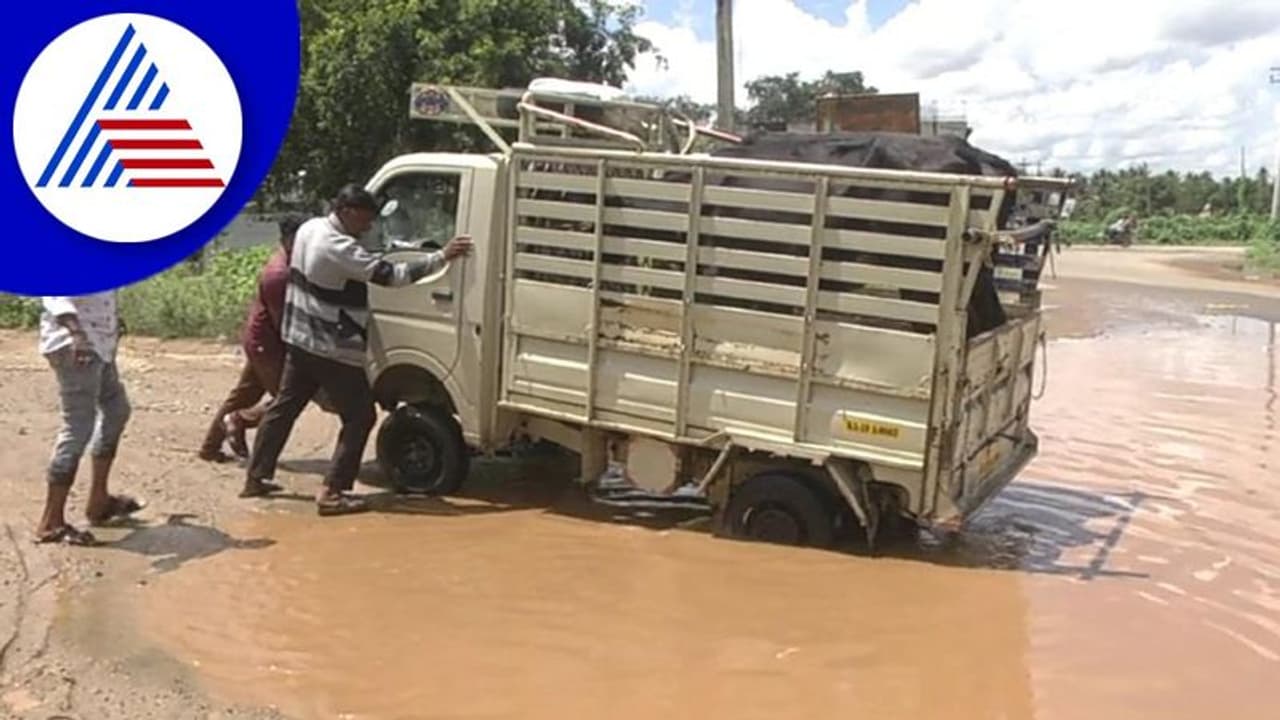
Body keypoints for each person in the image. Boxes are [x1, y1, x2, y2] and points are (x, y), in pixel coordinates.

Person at [241, 184, 473, 515]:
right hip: (330, 346)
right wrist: (441, 256)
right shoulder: (339, 248)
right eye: (364, 219)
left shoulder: (310, 228)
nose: (368, 227)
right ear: (347, 212)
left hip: (299, 337)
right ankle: (333, 493)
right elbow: (393, 275)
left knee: (284, 407)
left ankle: (256, 476)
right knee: (361, 416)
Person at [198, 214, 334, 462]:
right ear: (288, 239)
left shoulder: (292, 263)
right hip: (268, 344)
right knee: (288, 399)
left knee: (245, 394)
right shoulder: (279, 275)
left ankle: (210, 447)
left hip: (262, 339)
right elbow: (286, 323)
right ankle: (241, 423)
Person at [35, 292, 142, 546]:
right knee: (78, 426)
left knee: (116, 409)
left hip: (98, 343)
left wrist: (112, 321)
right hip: (77, 344)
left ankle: (99, 501)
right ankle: (51, 523)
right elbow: (55, 292)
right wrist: (77, 333)